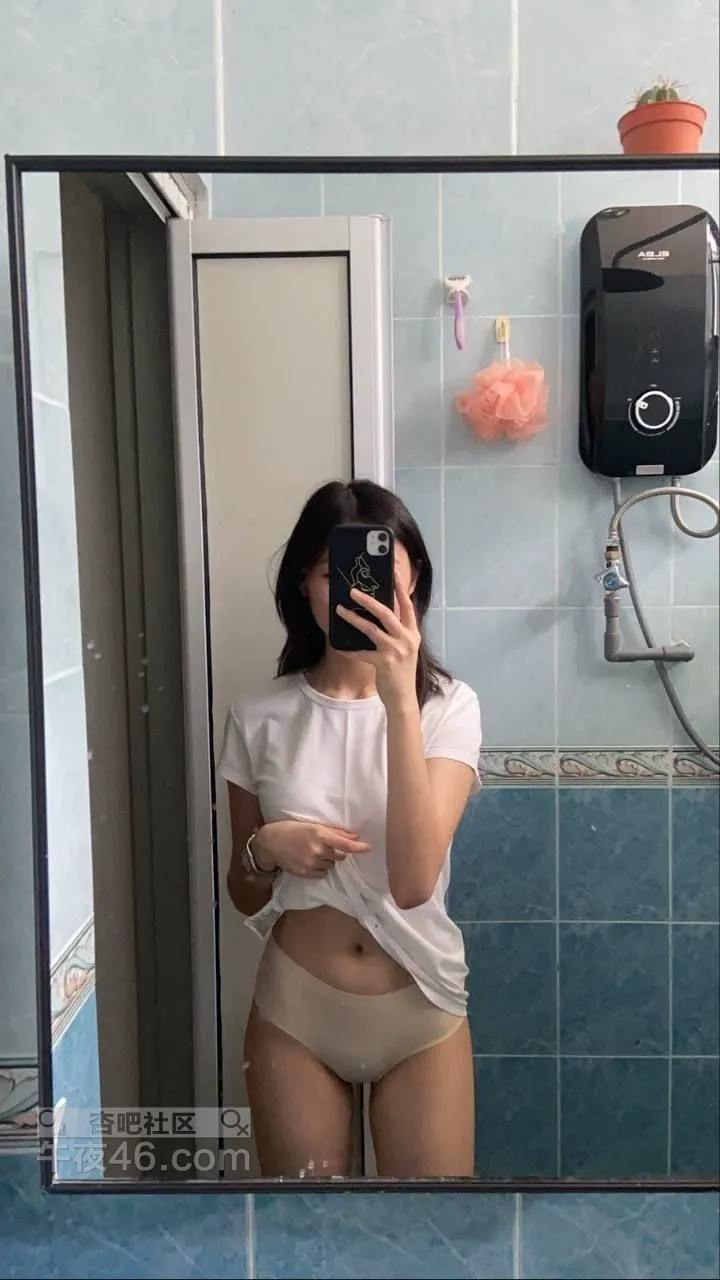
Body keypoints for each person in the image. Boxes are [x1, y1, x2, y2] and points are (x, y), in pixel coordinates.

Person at [219, 479, 482, 1178]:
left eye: (378, 568)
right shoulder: (257, 714)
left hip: (421, 1006)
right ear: (303, 586)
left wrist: (399, 700)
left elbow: (413, 882)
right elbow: (242, 892)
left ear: (412, 578)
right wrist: (265, 849)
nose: (355, 588)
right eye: (331, 571)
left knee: (432, 1232)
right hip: (296, 1012)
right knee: (305, 1232)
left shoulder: (450, 708)